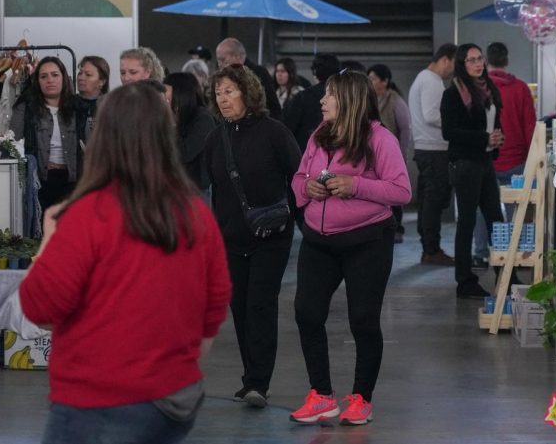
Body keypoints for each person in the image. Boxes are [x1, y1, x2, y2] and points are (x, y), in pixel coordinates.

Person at [20, 83, 231, 444]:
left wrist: (49, 238)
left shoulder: (87, 214)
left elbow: (41, 306)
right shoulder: (194, 212)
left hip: (99, 402)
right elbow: (213, 307)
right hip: (174, 399)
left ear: (103, 136)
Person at [288, 71, 411, 426]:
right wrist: (308, 188)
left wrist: (354, 185)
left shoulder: (380, 138)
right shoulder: (318, 135)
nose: (322, 101)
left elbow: (401, 191)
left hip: (367, 242)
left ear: (350, 100)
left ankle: (362, 398)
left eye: (329, 95)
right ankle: (321, 395)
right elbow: (298, 178)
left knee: (363, 321)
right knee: (307, 313)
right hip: (317, 240)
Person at [203, 64, 302, 409]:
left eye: (230, 91)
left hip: (271, 235)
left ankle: (259, 381)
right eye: (218, 93)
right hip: (231, 237)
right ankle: (251, 377)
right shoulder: (217, 137)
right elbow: (211, 187)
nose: (223, 98)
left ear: (248, 92)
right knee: (240, 307)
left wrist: (305, 222)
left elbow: (298, 176)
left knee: (260, 303)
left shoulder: (274, 132)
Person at [441, 44, 504, 299]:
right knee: (466, 222)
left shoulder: (488, 89)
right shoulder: (454, 93)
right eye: (471, 60)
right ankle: (464, 281)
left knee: (496, 220)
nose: (478, 64)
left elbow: (493, 122)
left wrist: (497, 137)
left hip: (485, 161)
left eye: (480, 59)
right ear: (462, 64)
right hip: (465, 163)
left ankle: (504, 272)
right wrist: (484, 138)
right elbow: (449, 132)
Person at [473, 42, 537, 266]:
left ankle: (480, 253)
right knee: (516, 208)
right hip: (516, 160)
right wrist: (533, 159)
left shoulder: (478, 89)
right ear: (507, 61)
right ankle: (514, 254)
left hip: (486, 159)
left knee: (482, 207)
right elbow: (530, 127)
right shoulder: (520, 89)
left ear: (486, 62)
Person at [11, 56, 85, 211]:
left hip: (72, 182)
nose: (49, 80)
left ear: (64, 78)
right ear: (37, 81)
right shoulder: (25, 107)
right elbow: (14, 143)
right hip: (38, 181)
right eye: (43, 76)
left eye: (55, 75)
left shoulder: (78, 107)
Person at [407, 43, 458, 266]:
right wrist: (455, 123)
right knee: (433, 202)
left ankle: (430, 247)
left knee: (430, 201)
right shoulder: (431, 81)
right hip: (434, 150)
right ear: (445, 60)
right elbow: (431, 115)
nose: (454, 71)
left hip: (427, 149)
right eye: (455, 64)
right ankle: (432, 249)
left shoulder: (423, 79)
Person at [367, 63, 413, 244]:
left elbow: (405, 129)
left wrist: (401, 155)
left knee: (394, 192)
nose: (370, 82)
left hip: (391, 153)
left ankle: (397, 228)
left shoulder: (395, 100)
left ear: (385, 81)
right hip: (372, 154)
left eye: (373, 79)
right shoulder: (369, 99)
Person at [164, 72, 217, 193]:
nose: (162, 95)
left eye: (165, 90)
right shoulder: (178, 116)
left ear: (179, 91)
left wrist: (170, 123)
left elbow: (183, 153)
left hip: (197, 191)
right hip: (176, 188)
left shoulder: (202, 118)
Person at [283, 54, 340, 151]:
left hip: (305, 151)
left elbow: (288, 128)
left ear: (315, 71)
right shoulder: (344, 95)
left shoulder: (302, 96)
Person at [215, 37, 283, 118]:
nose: (219, 64)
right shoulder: (222, 76)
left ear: (237, 56)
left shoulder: (259, 73)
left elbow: (273, 106)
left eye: (222, 60)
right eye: (218, 60)